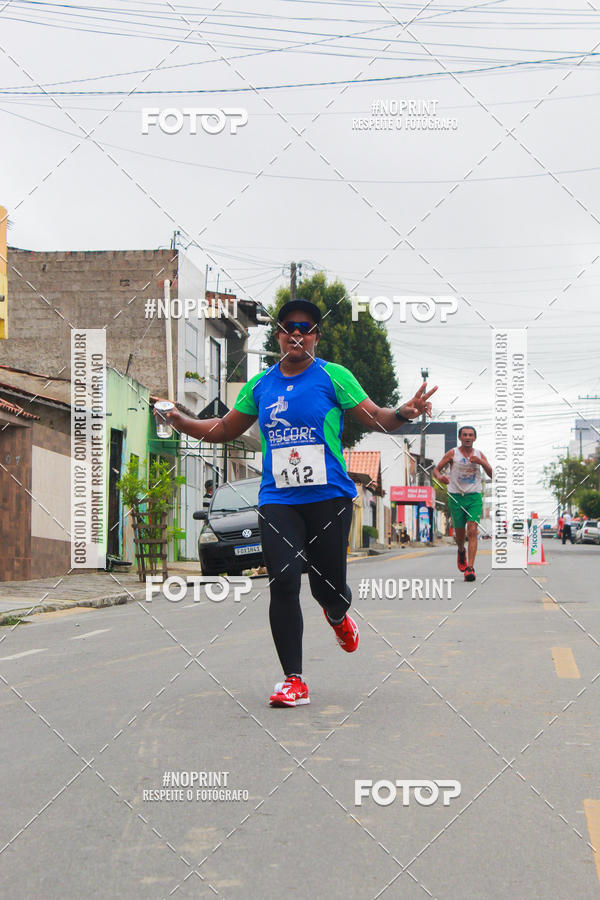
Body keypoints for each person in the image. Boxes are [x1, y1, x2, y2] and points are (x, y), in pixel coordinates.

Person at [154, 299, 436, 707]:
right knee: (283, 581)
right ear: (279, 336)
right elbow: (223, 428)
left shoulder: (332, 376)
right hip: (278, 499)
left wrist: (404, 413)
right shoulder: (261, 385)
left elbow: (376, 417)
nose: (296, 334)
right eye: (288, 327)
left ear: (316, 336)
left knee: (328, 589)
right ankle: (294, 680)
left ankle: (338, 616)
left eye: (305, 327)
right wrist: (181, 420)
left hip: (329, 497)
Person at [433, 426, 492, 582]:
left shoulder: (479, 454)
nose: (467, 437)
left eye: (470, 435)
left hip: (474, 496)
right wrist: (440, 478)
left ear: (474, 438)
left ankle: (470, 568)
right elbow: (436, 469)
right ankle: (460, 550)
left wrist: (481, 462)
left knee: (472, 530)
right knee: (460, 536)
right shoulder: (453, 453)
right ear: (460, 437)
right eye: (465, 435)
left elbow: (492, 473)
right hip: (456, 497)